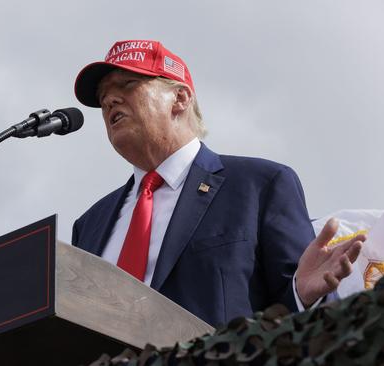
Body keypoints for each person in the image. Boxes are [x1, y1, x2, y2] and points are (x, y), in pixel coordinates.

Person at [71, 40, 365, 327]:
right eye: (103, 97)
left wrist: (304, 297)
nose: (109, 100)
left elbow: (307, 317)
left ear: (181, 98)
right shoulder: (89, 225)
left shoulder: (260, 186)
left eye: (128, 85)